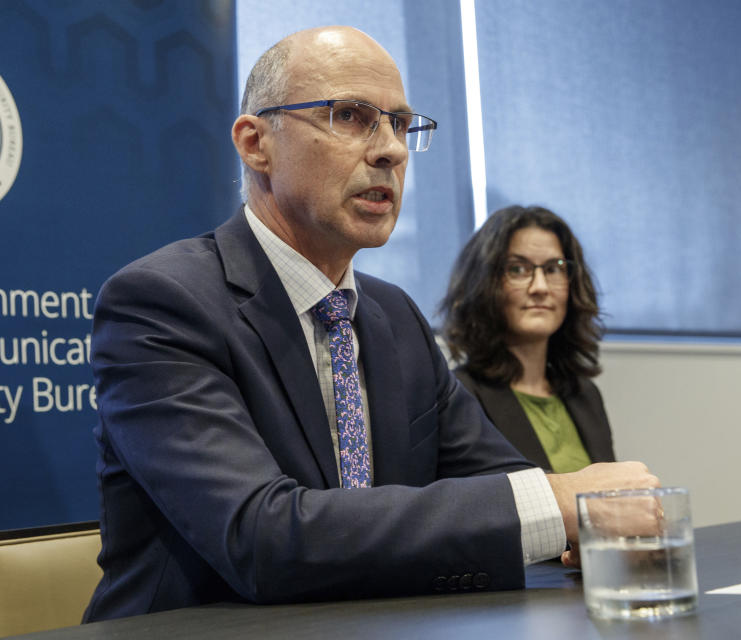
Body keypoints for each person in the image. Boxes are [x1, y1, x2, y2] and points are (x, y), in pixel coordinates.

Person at [83, 26, 658, 623]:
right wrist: (561, 500)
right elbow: (262, 538)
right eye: (352, 116)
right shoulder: (160, 302)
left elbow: (502, 482)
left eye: (401, 124)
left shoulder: (396, 317)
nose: (392, 150)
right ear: (256, 143)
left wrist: (582, 525)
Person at [441, 205, 615, 473]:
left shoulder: (585, 394)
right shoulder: (460, 396)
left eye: (553, 268)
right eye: (518, 269)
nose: (540, 288)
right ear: (484, 284)